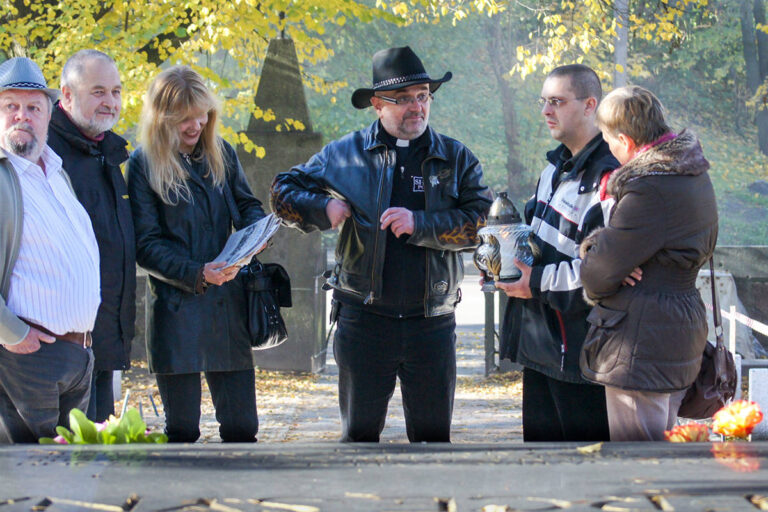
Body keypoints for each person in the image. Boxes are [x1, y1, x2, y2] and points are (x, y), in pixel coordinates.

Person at [271, 46, 491, 443]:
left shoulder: (455, 158)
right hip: (363, 319)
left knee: (432, 440)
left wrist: (421, 224)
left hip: (432, 322)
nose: (416, 107)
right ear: (376, 105)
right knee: (357, 438)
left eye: (423, 96)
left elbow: (481, 225)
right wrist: (323, 206)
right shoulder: (346, 155)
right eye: (403, 99)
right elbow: (282, 192)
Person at [126, 66, 266, 443]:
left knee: (242, 428)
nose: (196, 125)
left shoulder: (221, 151)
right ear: (162, 118)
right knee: (182, 430)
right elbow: (145, 244)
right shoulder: (143, 164)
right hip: (176, 310)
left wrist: (257, 237)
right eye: (184, 119)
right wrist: (197, 272)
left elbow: (248, 206)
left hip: (227, 308)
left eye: (201, 114)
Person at [578, 86, 718, 441]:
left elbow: (598, 272)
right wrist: (603, 248)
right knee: (662, 446)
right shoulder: (690, 173)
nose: (609, 149)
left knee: (638, 457)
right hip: (676, 326)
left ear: (624, 140)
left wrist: (594, 252)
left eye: (609, 141)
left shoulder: (648, 187)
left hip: (642, 340)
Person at [495, 64, 615, 442]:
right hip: (540, 348)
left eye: (557, 102)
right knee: (542, 469)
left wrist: (537, 281)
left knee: (586, 476)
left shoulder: (610, 176)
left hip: (582, 356)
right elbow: (536, 241)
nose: (546, 111)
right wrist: (501, 256)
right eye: (544, 101)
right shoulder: (554, 168)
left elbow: (604, 272)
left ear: (589, 105)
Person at [0, 57, 99, 443]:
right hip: (27, 357)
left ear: (47, 114)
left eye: (33, 107)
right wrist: (11, 332)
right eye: (11, 106)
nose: (23, 115)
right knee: (33, 487)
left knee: (69, 486)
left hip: (77, 358)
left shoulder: (55, 171)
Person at [47, 50, 135, 423]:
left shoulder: (108, 151)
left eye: (115, 91)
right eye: (98, 91)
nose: (110, 102)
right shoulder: (45, 151)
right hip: (62, 344)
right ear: (66, 96)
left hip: (105, 337)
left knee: (100, 458)